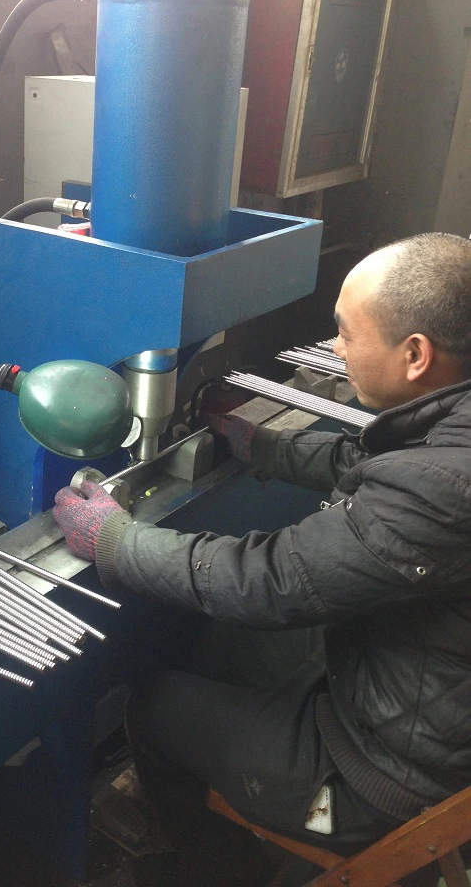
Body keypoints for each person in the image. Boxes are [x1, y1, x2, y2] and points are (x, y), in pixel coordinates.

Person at [53, 233, 471, 886]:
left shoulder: (443, 488)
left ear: (416, 355)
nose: (336, 349)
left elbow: (271, 582)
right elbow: (373, 462)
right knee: (231, 648)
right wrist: (263, 446)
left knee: (154, 707)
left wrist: (113, 540)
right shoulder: (449, 433)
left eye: (346, 334)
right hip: (419, 698)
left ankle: (217, 871)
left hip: (384, 775)